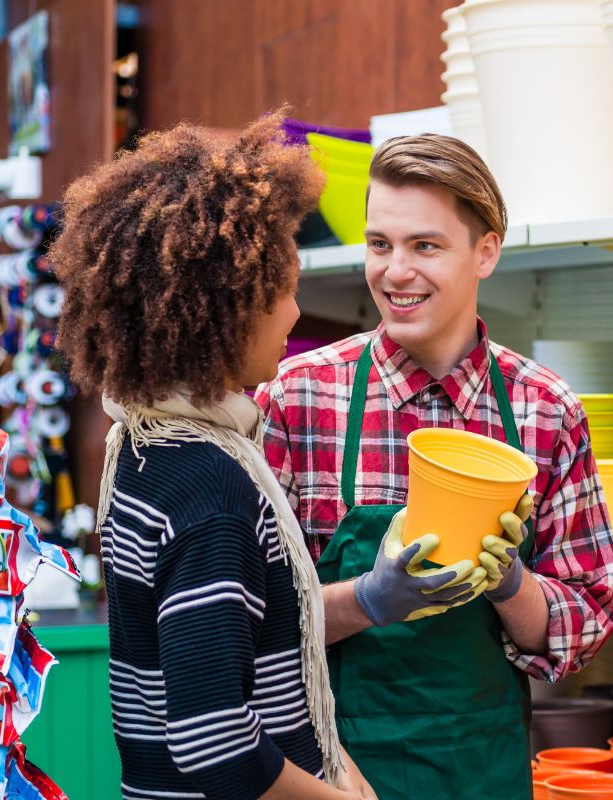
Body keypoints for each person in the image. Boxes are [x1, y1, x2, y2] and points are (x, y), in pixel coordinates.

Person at [256, 134, 613, 799]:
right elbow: (256, 624)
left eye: (425, 246)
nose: (395, 272)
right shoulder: (296, 398)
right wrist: (372, 599)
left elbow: (582, 626)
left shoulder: (546, 411)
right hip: (334, 776)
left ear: (486, 251)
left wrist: (510, 583)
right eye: (379, 245)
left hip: (482, 771)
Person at [49, 113, 375, 800]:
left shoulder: (139, 447)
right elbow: (218, 744)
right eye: (282, 289)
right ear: (225, 307)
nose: (294, 314)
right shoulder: (212, 491)